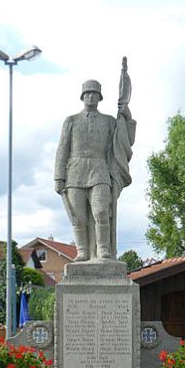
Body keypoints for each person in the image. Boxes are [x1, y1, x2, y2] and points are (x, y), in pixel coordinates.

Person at [54, 60, 136, 262]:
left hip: (100, 169)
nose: (91, 96)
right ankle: (82, 250)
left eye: (94, 94)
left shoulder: (109, 120)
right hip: (75, 171)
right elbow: (62, 148)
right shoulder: (71, 120)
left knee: (101, 211)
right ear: (82, 97)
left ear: (99, 97)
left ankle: (103, 249)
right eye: (87, 93)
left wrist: (126, 114)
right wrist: (59, 177)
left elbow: (124, 139)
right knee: (78, 217)